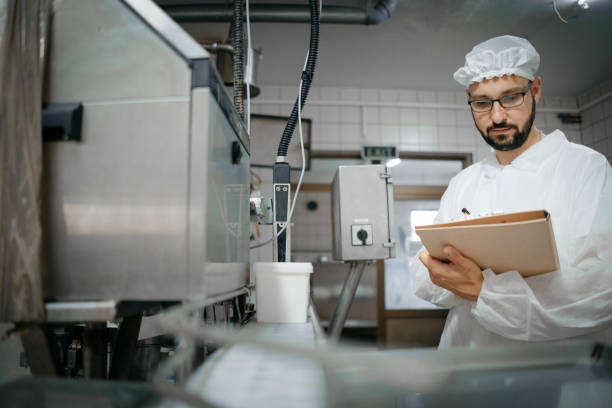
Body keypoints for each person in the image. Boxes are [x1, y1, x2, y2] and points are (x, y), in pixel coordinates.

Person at [413, 35, 612, 348]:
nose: (497, 116)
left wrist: (484, 290)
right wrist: (439, 272)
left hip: (553, 373)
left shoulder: (583, 168)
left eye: (510, 98)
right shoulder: (464, 182)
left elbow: (603, 288)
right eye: (482, 102)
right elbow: (424, 276)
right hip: (467, 369)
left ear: (535, 90)